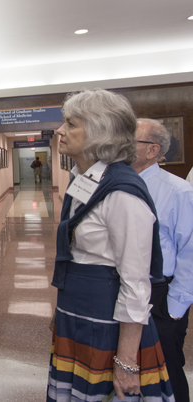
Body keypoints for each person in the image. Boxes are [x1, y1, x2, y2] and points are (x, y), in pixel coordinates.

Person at [47, 89, 173, 401]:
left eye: (71, 124)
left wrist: (127, 362)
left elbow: (135, 283)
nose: (60, 131)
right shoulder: (84, 179)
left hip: (107, 323)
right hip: (77, 311)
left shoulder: (123, 193)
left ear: (100, 133)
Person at [132, 118, 193, 402]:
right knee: (129, 366)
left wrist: (175, 308)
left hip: (161, 295)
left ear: (152, 150)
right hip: (124, 289)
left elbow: (189, 252)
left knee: (166, 369)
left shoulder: (179, 191)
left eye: (131, 140)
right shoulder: (115, 184)